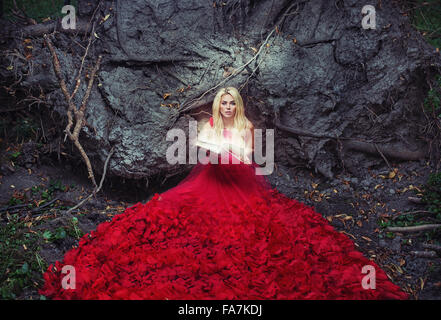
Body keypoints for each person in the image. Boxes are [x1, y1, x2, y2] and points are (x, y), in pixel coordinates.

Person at [39, 87, 408, 300]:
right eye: (224, 102)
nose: (228, 107)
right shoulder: (209, 124)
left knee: (273, 232)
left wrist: (232, 154)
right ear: (218, 105)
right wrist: (220, 152)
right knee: (167, 221)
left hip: (241, 182)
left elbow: (249, 156)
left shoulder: (246, 125)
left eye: (233, 102)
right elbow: (202, 149)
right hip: (211, 182)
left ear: (238, 106)